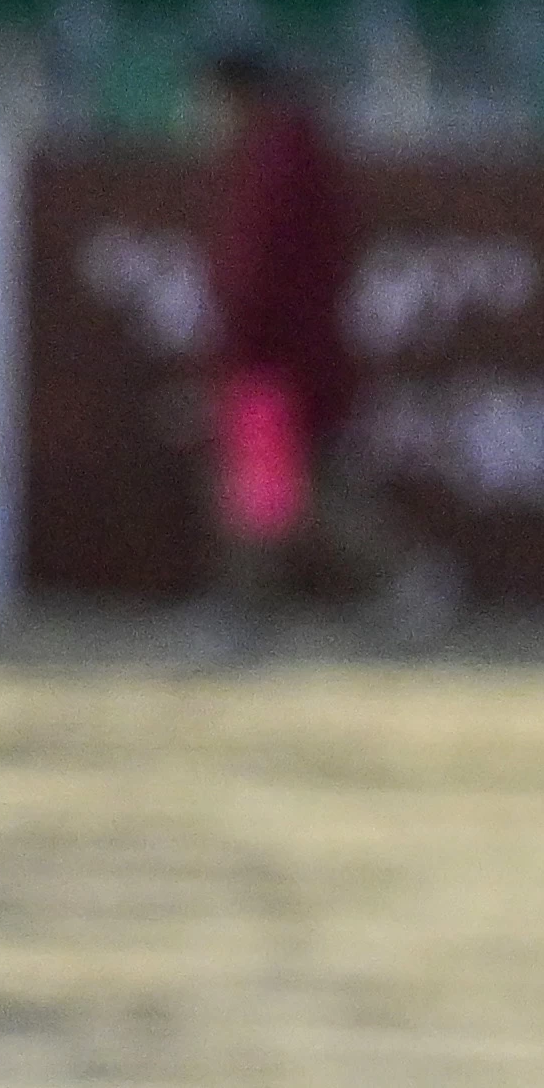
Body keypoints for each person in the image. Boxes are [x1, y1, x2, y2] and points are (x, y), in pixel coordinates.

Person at [193, 45, 457, 647]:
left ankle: (252, 614)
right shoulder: (291, 151)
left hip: (274, 358)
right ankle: (399, 584)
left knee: (274, 487)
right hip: (294, 353)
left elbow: (260, 269)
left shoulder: (275, 158)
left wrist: (241, 341)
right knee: (288, 487)